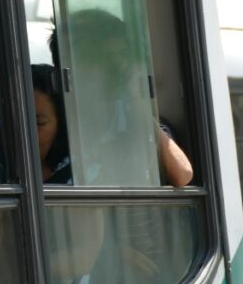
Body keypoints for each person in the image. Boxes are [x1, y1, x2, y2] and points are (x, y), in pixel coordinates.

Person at [47, 15, 192, 187]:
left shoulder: (136, 120)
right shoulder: (50, 121)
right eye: (104, 58)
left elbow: (182, 175)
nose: (120, 67)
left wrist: (140, 106)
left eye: (123, 55)